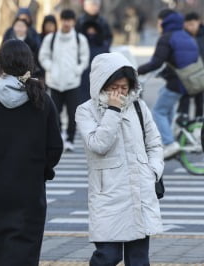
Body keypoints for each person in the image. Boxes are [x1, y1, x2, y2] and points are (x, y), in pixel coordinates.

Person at [0, 39, 63, 266]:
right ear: (29, 64)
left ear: (1, 66)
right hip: (28, 195)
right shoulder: (42, 101)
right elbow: (54, 149)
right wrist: (41, 172)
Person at [76, 52, 164, 265]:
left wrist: (152, 171)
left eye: (124, 88)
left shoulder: (138, 106)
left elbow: (154, 143)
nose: (120, 93)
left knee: (138, 260)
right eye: (114, 88)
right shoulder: (86, 111)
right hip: (109, 196)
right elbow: (98, 145)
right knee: (108, 256)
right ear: (101, 84)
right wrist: (113, 110)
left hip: (139, 191)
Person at [138, 9, 200, 159]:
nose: (159, 23)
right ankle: (170, 135)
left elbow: (156, 62)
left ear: (165, 21)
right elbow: (178, 60)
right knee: (166, 106)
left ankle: (170, 143)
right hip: (190, 80)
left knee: (158, 111)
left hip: (178, 82)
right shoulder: (186, 36)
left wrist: (137, 70)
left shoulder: (167, 38)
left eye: (160, 20)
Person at [38, 9, 89, 152]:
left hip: (73, 82)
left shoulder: (80, 39)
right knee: (54, 112)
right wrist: (51, 68)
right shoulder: (51, 38)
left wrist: (77, 70)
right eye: (64, 20)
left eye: (69, 20)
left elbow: (85, 59)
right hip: (54, 82)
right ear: (60, 21)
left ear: (73, 21)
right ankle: (59, 136)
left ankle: (70, 139)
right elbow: (43, 56)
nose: (67, 23)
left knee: (73, 113)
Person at [76, 0, 112, 104]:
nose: (94, 7)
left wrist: (104, 47)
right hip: (83, 60)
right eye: (91, 5)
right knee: (83, 92)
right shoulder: (80, 21)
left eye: (96, 5)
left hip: (99, 58)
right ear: (85, 6)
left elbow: (109, 37)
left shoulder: (103, 21)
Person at [176, 12, 204, 123]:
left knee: (199, 99)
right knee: (185, 97)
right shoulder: (182, 35)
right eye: (187, 25)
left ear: (199, 22)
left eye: (192, 24)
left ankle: (198, 121)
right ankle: (184, 121)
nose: (189, 27)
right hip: (186, 74)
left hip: (201, 74)